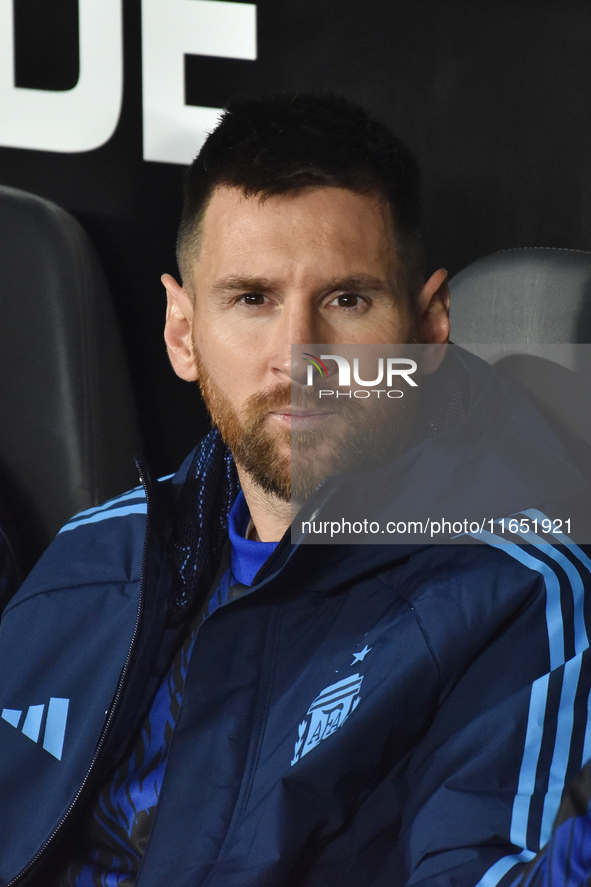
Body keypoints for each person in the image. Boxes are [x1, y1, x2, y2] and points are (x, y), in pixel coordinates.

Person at [1, 92, 590, 887]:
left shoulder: (516, 592)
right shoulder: (101, 549)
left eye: (347, 300)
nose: (299, 356)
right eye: (252, 299)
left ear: (428, 326)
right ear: (183, 333)